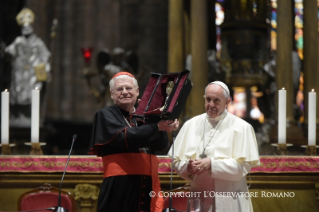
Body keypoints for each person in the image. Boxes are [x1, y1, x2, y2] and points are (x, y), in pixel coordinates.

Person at [88, 72, 179, 212]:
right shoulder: (105, 115)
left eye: (129, 88)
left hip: (148, 183)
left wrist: (157, 119)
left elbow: (161, 145)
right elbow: (126, 137)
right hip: (119, 187)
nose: (124, 92)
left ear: (137, 91)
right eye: (119, 89)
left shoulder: (145, 118)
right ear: (112, 94)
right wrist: (157, 126)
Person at [168, 81, 260, 212]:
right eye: (208, 99)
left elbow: (242, 168)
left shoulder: (242, 127)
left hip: (230, 200)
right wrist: (187, 168)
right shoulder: (190, 125)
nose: (211, 105)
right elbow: (176, 163)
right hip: (198, 200)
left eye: (216, 100)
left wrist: (211, 164)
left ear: (227, 102)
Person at [4, 8, 51, 126]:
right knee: (17, 94)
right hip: (19, 73)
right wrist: (5, 52)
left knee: (32, 94)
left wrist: (46, 70)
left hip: (32, 74)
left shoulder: (37, 42)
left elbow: (45, 55)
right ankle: (18, 115)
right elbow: (9, 52)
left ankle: (30, 116)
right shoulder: (18, 41)